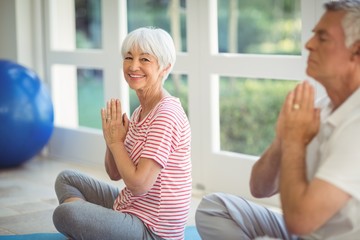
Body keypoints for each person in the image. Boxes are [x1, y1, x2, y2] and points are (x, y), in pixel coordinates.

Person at [195, 1, 360, 239]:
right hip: (303, 231)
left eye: (322, 38)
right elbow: (259, 188)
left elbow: (300, 221)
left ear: (356, 51)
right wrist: (284, 138)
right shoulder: (323, 106)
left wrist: (294, 140)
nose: (308, 44)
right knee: (214, 207)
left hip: (308, 229)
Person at [52, 27, 192, 240]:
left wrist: (117, 143)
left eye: (145, 59)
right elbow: (115, 174)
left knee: (65, 213)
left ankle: (91, 229)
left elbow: (138, 185)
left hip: (152, 230)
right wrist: (111, 140)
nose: (133, 66)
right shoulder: (140, 111)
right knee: (67, 179)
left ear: (165, 68)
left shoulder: (166, 114)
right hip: (130, 207)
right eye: (129, 57)